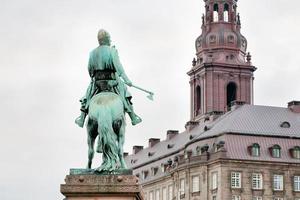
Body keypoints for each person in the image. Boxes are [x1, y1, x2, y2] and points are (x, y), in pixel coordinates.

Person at [75, 29, 142, 127]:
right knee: (125, 94)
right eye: (109, 38)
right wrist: (127, 80)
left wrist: (95, 75)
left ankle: (81, 118)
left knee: (87, 96)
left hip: (97, 82)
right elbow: (119, 68)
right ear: (106, 39)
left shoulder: (92, 53)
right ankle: (133, 117)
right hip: (112, 81)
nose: (110, 41)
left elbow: (90, 69)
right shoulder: (112, 50)